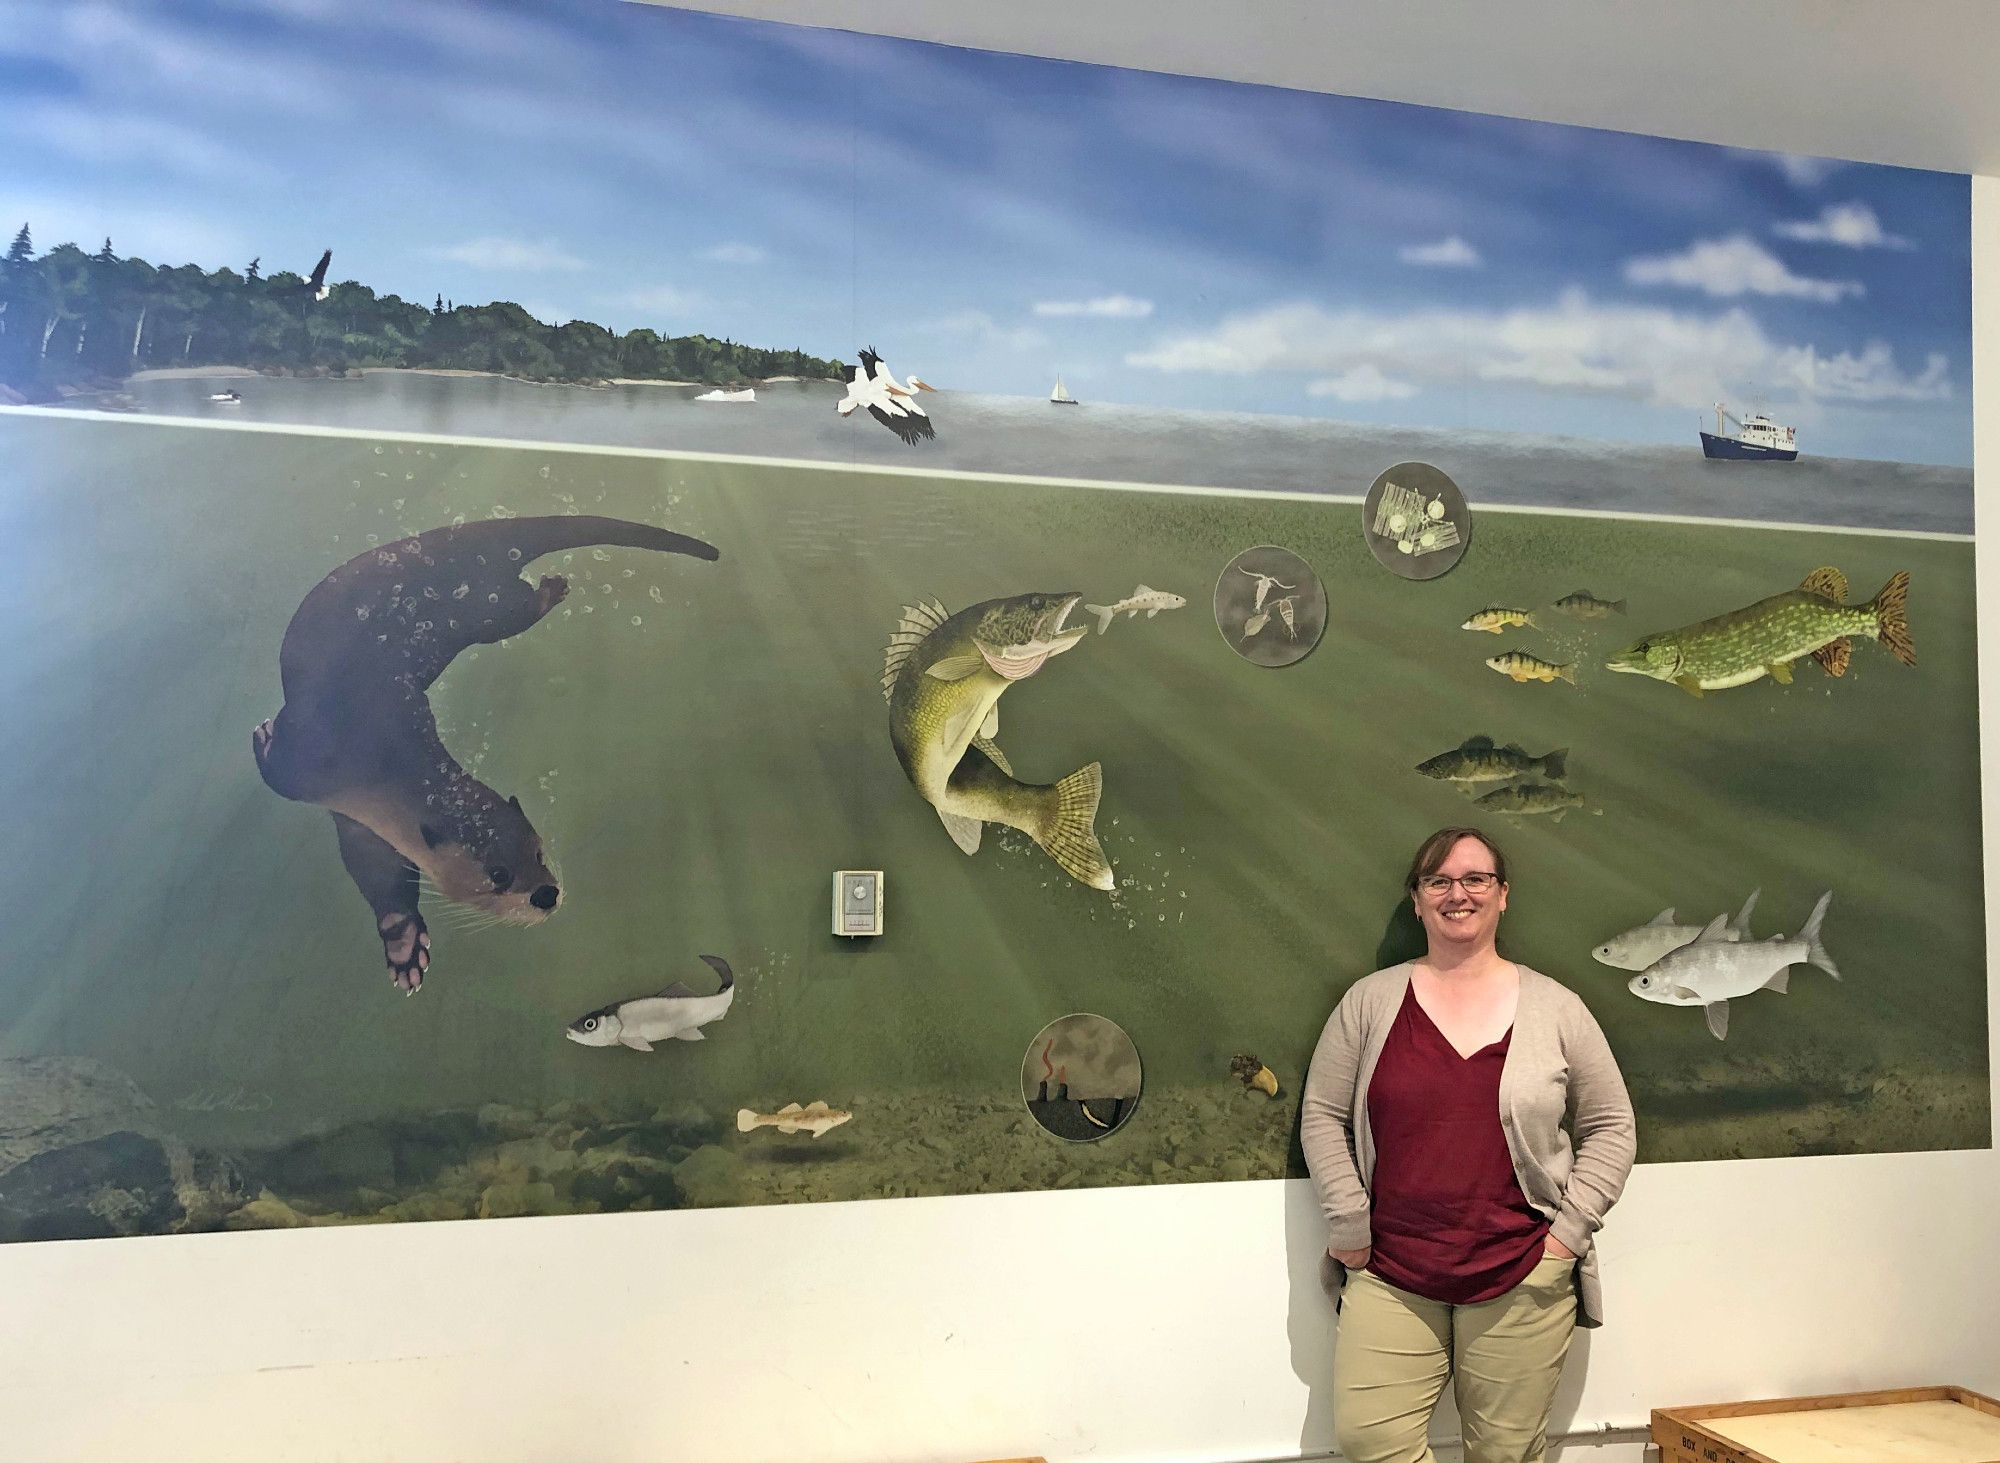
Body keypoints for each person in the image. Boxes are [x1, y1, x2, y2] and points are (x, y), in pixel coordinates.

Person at [1300, 827, 1636, 1463]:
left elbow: (1612, 1124)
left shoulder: (1559, 1009)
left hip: (1522, 1271)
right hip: (1391, 1272)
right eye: (1439, 881)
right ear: (1418, 900)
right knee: (1371, 1441)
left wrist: (1566, 1237)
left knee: (1504, 1456)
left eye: (1476, 878)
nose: (1459, 893)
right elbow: (1321, 1114)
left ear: (1503, 895)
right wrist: (1347, 1221)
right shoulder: (1369, 1003)